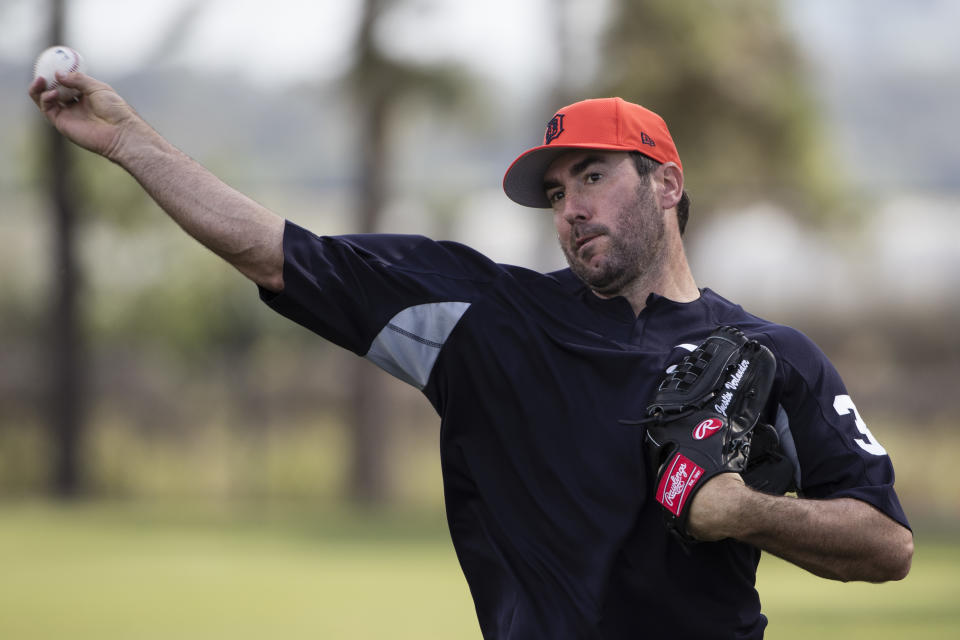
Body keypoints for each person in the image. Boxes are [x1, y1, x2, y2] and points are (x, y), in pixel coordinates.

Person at [30, 72, 912, 639]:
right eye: (557, 192)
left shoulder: (767, 356)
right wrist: (126, 140)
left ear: (667, 184)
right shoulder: (487, 320)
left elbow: (886, 544)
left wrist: (741, 512)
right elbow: (276, 249)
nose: (569, 207)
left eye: (595, 175)